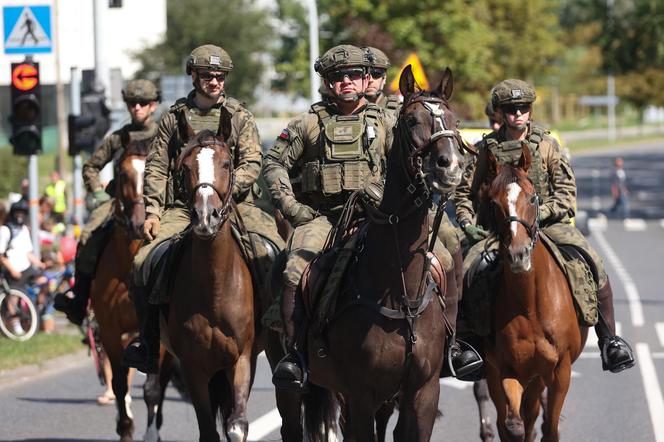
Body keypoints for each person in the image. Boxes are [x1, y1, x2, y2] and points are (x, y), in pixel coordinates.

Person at [454, 79, 635, 374]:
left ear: (530, 110)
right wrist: (465, 221)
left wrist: (538, 214)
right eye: (510, 109)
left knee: (591, 261)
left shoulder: (547, 145)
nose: (517, 114)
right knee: (467, 266)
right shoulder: (486, 149)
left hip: (547, 223)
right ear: (500, 113)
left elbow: (565, 192)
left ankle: (609, 340)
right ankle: (465, 344)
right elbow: (464, 192)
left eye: (523, 108)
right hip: (499, 228)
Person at [122, 44, 282, 374]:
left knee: (276, 252)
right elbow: (156, 167)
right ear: (193, 76)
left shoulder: (239, 115)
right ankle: (148, 341)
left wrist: (223, 191)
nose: (214, 81)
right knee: (141, 262)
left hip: (235, 205)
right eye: (208, 75)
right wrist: (153, 210)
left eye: (220, 76)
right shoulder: (173, 118)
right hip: (182, 208)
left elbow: (253, 161)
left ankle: (280, 332)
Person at [54, 79, 161, 326]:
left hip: (159, 201)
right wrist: (99, 194)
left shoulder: (164, 134)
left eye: (143, 103)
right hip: (120, 201)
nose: (137, 108)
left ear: (153, 105)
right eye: (132, 103)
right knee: (89, 235)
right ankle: (79, 301)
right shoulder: (117, 138)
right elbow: (91, 167)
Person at [361, 46, 401, 114]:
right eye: (364, 75)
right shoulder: (343, 110)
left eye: (376, 74)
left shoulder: (399, 111)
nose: (370, 80)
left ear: (384, 78)